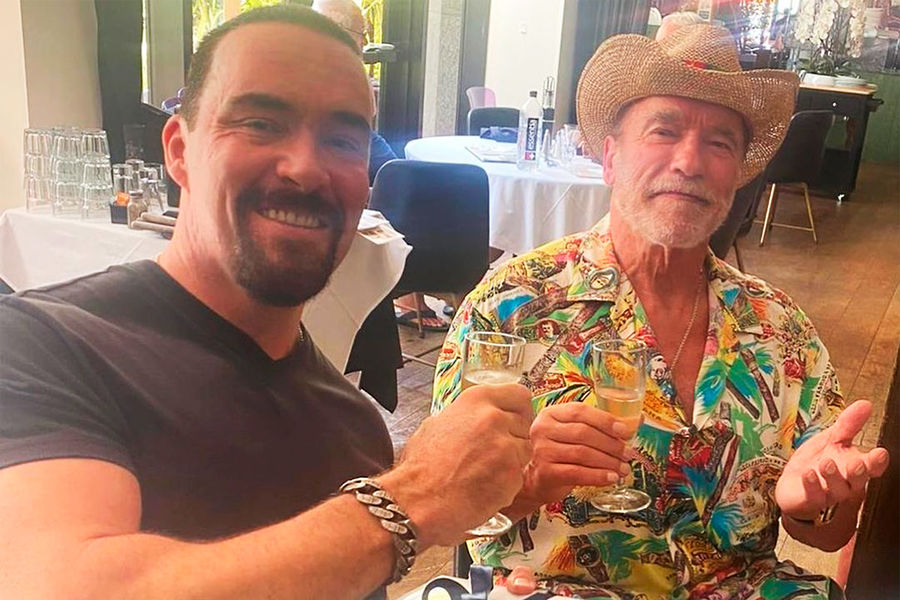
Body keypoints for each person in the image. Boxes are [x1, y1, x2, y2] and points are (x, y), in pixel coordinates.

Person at [0, 7, 534, 599]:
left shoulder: (352, 426)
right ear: (179, 151)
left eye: (342, 140)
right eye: (259, 123)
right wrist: (415, 498)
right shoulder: (39, 348)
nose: (305, 169)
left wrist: (473, 491)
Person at [433, 25, 889, 599]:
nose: (690, 161)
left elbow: (828, 533)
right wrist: (526, 481)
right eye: (663, 131)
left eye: (719, 143)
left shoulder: (780, 327)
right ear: (610, 157)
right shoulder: (511, 308)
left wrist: (812, 506)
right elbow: (441, 512)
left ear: (738, 176)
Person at [311, 0, 398, 185]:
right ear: (338, 29)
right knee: (400, 180)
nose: (364, 42)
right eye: (361, 33)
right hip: (339, 147)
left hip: (351, 144)